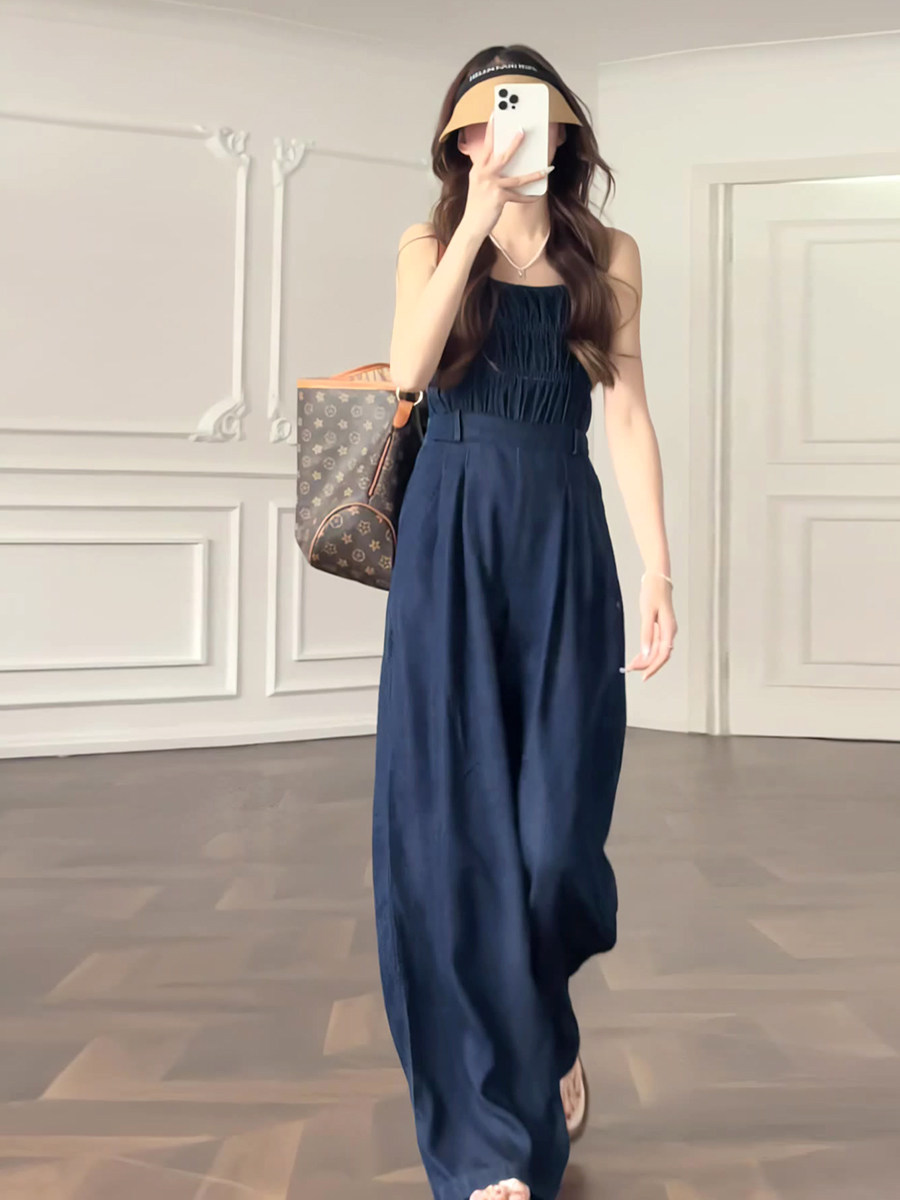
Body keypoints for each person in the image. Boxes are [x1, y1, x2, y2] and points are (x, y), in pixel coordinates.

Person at [372, 44, 676, 1200]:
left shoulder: (610, 255)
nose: (502, 136)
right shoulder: (428, 244)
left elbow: (628, 415)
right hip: (448, 547)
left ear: (565, 134)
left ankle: (544, 1023)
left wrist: (659, 568)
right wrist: (475, 224)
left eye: (527, 117)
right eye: (481, 123)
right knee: (454, 849)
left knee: (553, 852)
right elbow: (409, 369)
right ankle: (489, 1147)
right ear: (457, 143)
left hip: (562, 545)